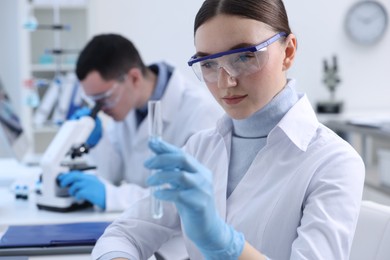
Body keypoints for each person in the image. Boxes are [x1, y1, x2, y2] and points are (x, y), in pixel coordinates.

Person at [92, 0, 365, 259]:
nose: (226, 82)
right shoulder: (200, 148)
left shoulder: (334, 162)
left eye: (245, 56)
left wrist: (224, 244)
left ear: (288, 52)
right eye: (209, 64)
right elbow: (122, 235)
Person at [58, 33, 222, 259]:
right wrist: (98, 141)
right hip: (137, 233)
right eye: (93, 102)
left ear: (134, 78)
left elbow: (178, 199)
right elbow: (112, 174)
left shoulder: (200, 111)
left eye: (103, 99)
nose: (100, 108)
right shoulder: (126, 105)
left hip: (178, 249)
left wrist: (111, 196)